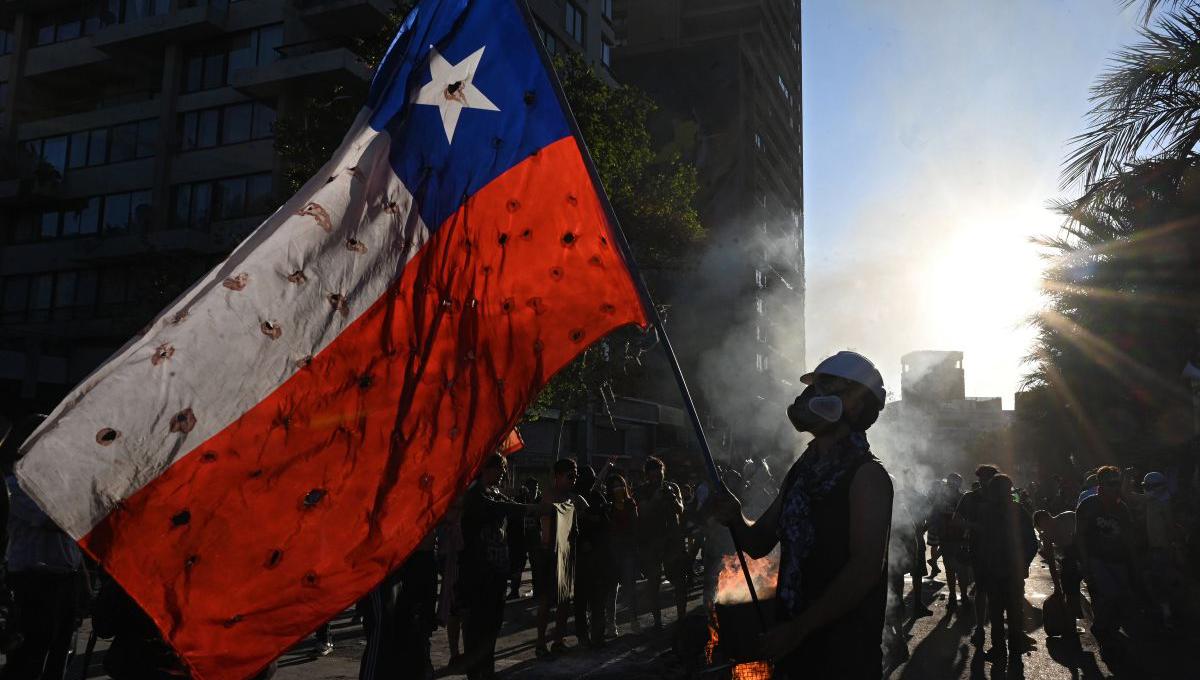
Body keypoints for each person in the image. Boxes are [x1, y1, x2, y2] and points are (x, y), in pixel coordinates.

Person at [711, 351, 892, 678]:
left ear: (854, 402)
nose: (810, 396)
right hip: (794, 652)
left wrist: (798, 629)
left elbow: (865, 570)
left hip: (844, 656)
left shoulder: (867, 476)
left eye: (826, 386)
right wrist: (736, 517)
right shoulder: (802, 472)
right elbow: (758, 542)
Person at [3, 414, 86, 680]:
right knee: (31, 656)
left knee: (60, 652)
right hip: (34, 581)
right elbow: (59, 522)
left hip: (65, 578)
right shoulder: (16, 486)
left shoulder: (62, 486)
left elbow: (76, 534)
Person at [457, 454, 528, 679]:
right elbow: (496, 508)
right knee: (476, 630)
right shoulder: (475, 495)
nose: (503, 475)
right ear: (487, 469)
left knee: (491, 629)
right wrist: (534, 508)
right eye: (500, 469)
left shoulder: (493, 492)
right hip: (477, 575)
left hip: (496, 573)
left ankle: (485, 671)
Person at [1075, 466, 1135, 663]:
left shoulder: (1121, 507)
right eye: (1111, 484)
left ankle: (1107, 632)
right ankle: (1102, 632)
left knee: (1120, 600)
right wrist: (1084, 563)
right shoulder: (1088, 505)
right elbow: (1081, 536)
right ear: (1100, 484)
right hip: (1096, 560)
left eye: (1117, 483)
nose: (1116, 487)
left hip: (1118, 560)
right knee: (1108, 596)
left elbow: (1128, 537)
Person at [976, 474, 1038, 662]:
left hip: (998, 571)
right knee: (1012, 611)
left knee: (998, 612)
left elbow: (980, 543)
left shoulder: (988, 511)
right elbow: (1031, 543)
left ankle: (1001, 649)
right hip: (1005, 571)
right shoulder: (1015, 511)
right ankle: (1011, 648)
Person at [534, 458, 583, 657]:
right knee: (546, 601)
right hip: (550, 555)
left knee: (565, 601)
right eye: (570, 476)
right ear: (558, 476)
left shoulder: (570, 496)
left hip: (567, 553)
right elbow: (546, 533)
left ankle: (558, 640)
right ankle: (540, 643)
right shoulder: (549, 496)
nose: (574, 479)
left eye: (575, 476)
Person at [954, 463, 999, 645]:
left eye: (988, 479)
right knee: (981, 589)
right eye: (982, 479)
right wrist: (973, 527)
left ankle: (997, 628)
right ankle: (979, 626)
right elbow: (956, 519)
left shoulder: (1002, 498)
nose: (985, 483)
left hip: (1000, 550)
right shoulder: (969, 498)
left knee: (997, 590)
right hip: (978, 548)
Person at [635, 456, 681, 630]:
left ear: (663, 473)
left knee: (678, 579)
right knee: (653, 583)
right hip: (651, 542)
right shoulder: (641, 490)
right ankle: (657, 622)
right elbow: (642, 512)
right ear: (647, 475)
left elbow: (680, 509)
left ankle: (681, 617)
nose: (656, 479)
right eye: (653, 476)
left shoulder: (672, 487)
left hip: (671, 541)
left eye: (659, 475)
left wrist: (673, 498)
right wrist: (655, 499)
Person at [1140, 471, 1179, 629]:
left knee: (1163, 583)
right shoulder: (1153, 501)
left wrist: (1175, 545)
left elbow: (1169, 527)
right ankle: (1167, 612)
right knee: (1160, 582)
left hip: (1163, 549)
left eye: (1149, 486)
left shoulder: (1162, 503)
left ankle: (1168, 614)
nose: (1147, 489)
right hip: (1157, 549)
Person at [1033, 508, 1081, 631]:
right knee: (1069, 588)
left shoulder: (1068, 517)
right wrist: (1056, 585)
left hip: (1086, 554)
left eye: (1044, 523)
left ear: (1049, 517)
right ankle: (1071, 622)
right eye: (1042, 527)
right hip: (1070, 560)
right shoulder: (1047, 536)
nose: (1045, 528)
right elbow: (1051, 561)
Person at [604, 473, 639, 636]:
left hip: (628, 552)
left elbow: (635, 526)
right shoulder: (608, 506)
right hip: (612, 553)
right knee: (612, 591)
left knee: (630, 589)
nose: (618, 489)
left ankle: (633, 621)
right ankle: (611, 625)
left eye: (621, 486)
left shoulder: (630, 504)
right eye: (615, 486)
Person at [932, 474, 968, 612]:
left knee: (960, 569)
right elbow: (934, 514)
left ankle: (961, 595)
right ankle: (954, 595)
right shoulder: (943, 498)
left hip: (958, 538)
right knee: (951, 569)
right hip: (947, 538)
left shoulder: (962, 498)